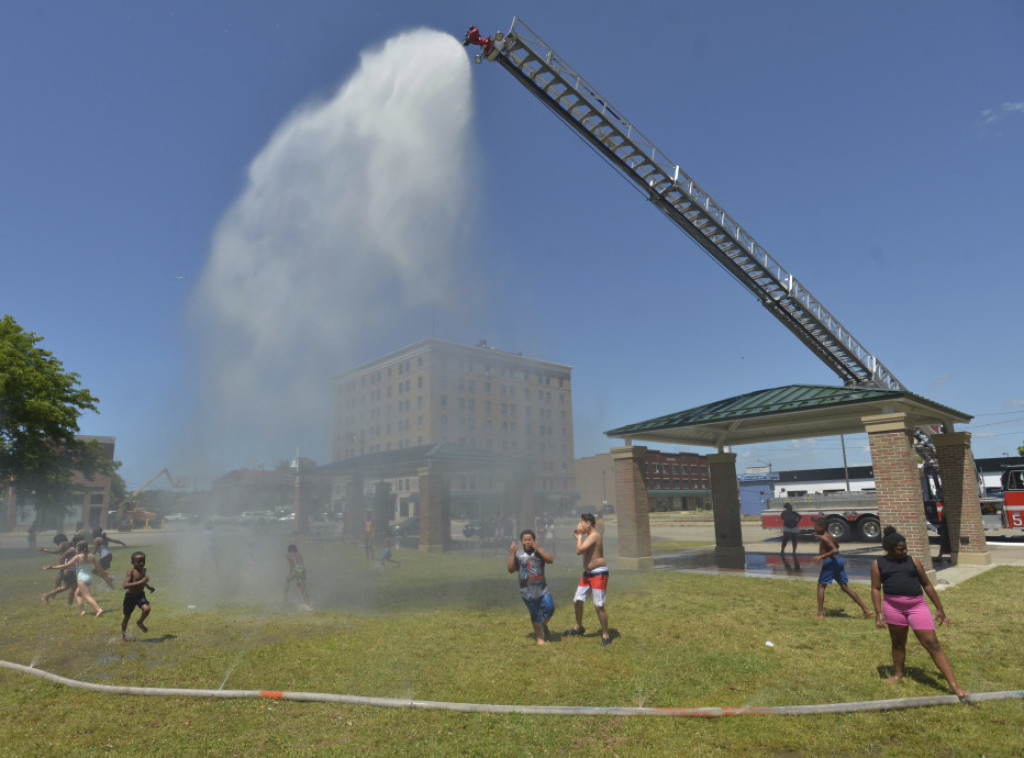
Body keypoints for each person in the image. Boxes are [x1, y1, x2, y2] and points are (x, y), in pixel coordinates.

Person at [871, 526, 968, 700]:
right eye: (900, 549)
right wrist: (879, 613)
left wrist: (939, 608)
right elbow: (876, 589)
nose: (904, 551)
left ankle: (954, 685)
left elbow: (927, 585)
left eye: (905, 548)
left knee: (932, 644)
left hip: (917, 607)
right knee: (898, 643)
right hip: (893, 608)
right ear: (889, 549)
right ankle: (898, 674)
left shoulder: (913, 562)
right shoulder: (878, 564)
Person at [564, 513, 612, 646]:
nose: (578, 525)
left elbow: (579, 551)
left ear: (588, 524)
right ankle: (579, 627)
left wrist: (579, 536)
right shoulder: (590, 537)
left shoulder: (594, 536)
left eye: (580, 523)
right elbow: (584, 550)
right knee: (577, 600)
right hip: (588, 574)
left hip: (598, 573)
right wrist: (579, 537)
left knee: (599, 605)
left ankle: (605, 635)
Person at [812, 517, 871, 620]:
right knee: (845, 587)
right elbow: (837, 546)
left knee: (821, 586)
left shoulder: (825, 538)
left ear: (822, 527)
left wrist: (820, 556)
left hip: (830, 563)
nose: (814, 528)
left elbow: (835, 550)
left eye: (816, 526)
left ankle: (820, 614)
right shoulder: (829, 535)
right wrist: (821, 538)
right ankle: (866, 610)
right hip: (837, 562)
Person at [507, 529, 555, 645]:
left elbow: (550, 560)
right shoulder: (518, 555)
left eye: (530, 539)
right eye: (525, 540)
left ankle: (542, 625)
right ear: (521, 542)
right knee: (535, 614)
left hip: (543, 589)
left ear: (534, 541)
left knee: (550, 607)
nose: (528, 542)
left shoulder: (539, 552)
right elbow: (511, 569)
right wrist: (512, 553)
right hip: (527, 591)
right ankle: (540, 638)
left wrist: (538, 548)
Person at [45, 541, 105, 617]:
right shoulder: (91, 556)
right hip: (89, 578)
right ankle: (82, 611)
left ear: (79, 548)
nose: (76, 549)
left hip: (82, 579)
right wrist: (104, 573)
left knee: (87, 596)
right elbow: (98, 567)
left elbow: (66, 565)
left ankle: (98, 609)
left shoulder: (78, 557)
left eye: (77, 547)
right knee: (78, 594)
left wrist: (52, 567)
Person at [122, 551, 154, 639]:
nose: (142, 563)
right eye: (139, 561)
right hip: (130, 596)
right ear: (132, 562)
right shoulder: (131, 571)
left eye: (143, 561)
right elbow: (125, 585)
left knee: (147, 609)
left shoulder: (144, 570)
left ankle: (140, 622)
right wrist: (141, 582)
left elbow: (143, 581)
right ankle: (123, 636)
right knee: (127, 617)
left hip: (140, 595)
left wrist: (148, 587)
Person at [285, 544, 313, 610]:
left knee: (287, 581)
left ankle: (285, 599)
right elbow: (301, 564)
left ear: (289, 551)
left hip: (296, 570)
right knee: (302, 588)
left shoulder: (288, 555)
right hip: (302, 570)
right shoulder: (299, 555)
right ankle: (308, 604)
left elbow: (291, 565)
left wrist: (292, 573)